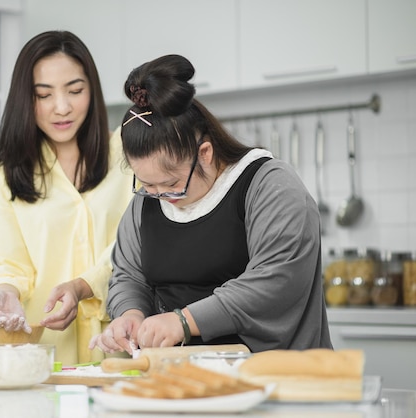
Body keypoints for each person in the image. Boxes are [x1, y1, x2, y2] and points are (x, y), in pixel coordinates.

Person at [89, 54, 332, 356]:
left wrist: (185, 320)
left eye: (171, 184)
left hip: (275, 375)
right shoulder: (145, 203)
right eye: (147, 185)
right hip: (181, 378)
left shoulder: (269, 186)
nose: (159, 196)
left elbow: (275, 280)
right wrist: (130, 314)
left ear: (204, 153)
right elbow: (128, 275)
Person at [0, 31, 133, 364]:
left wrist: (85, 285)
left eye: (75, 91)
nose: (62, 107)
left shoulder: (127, 155)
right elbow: (2, 263)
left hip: (119, 344)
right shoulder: (8, 174)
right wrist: (4, 293)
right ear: (24, 100)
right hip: (42, 353)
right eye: (43, 95)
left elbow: (136, 245)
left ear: (92, 89)